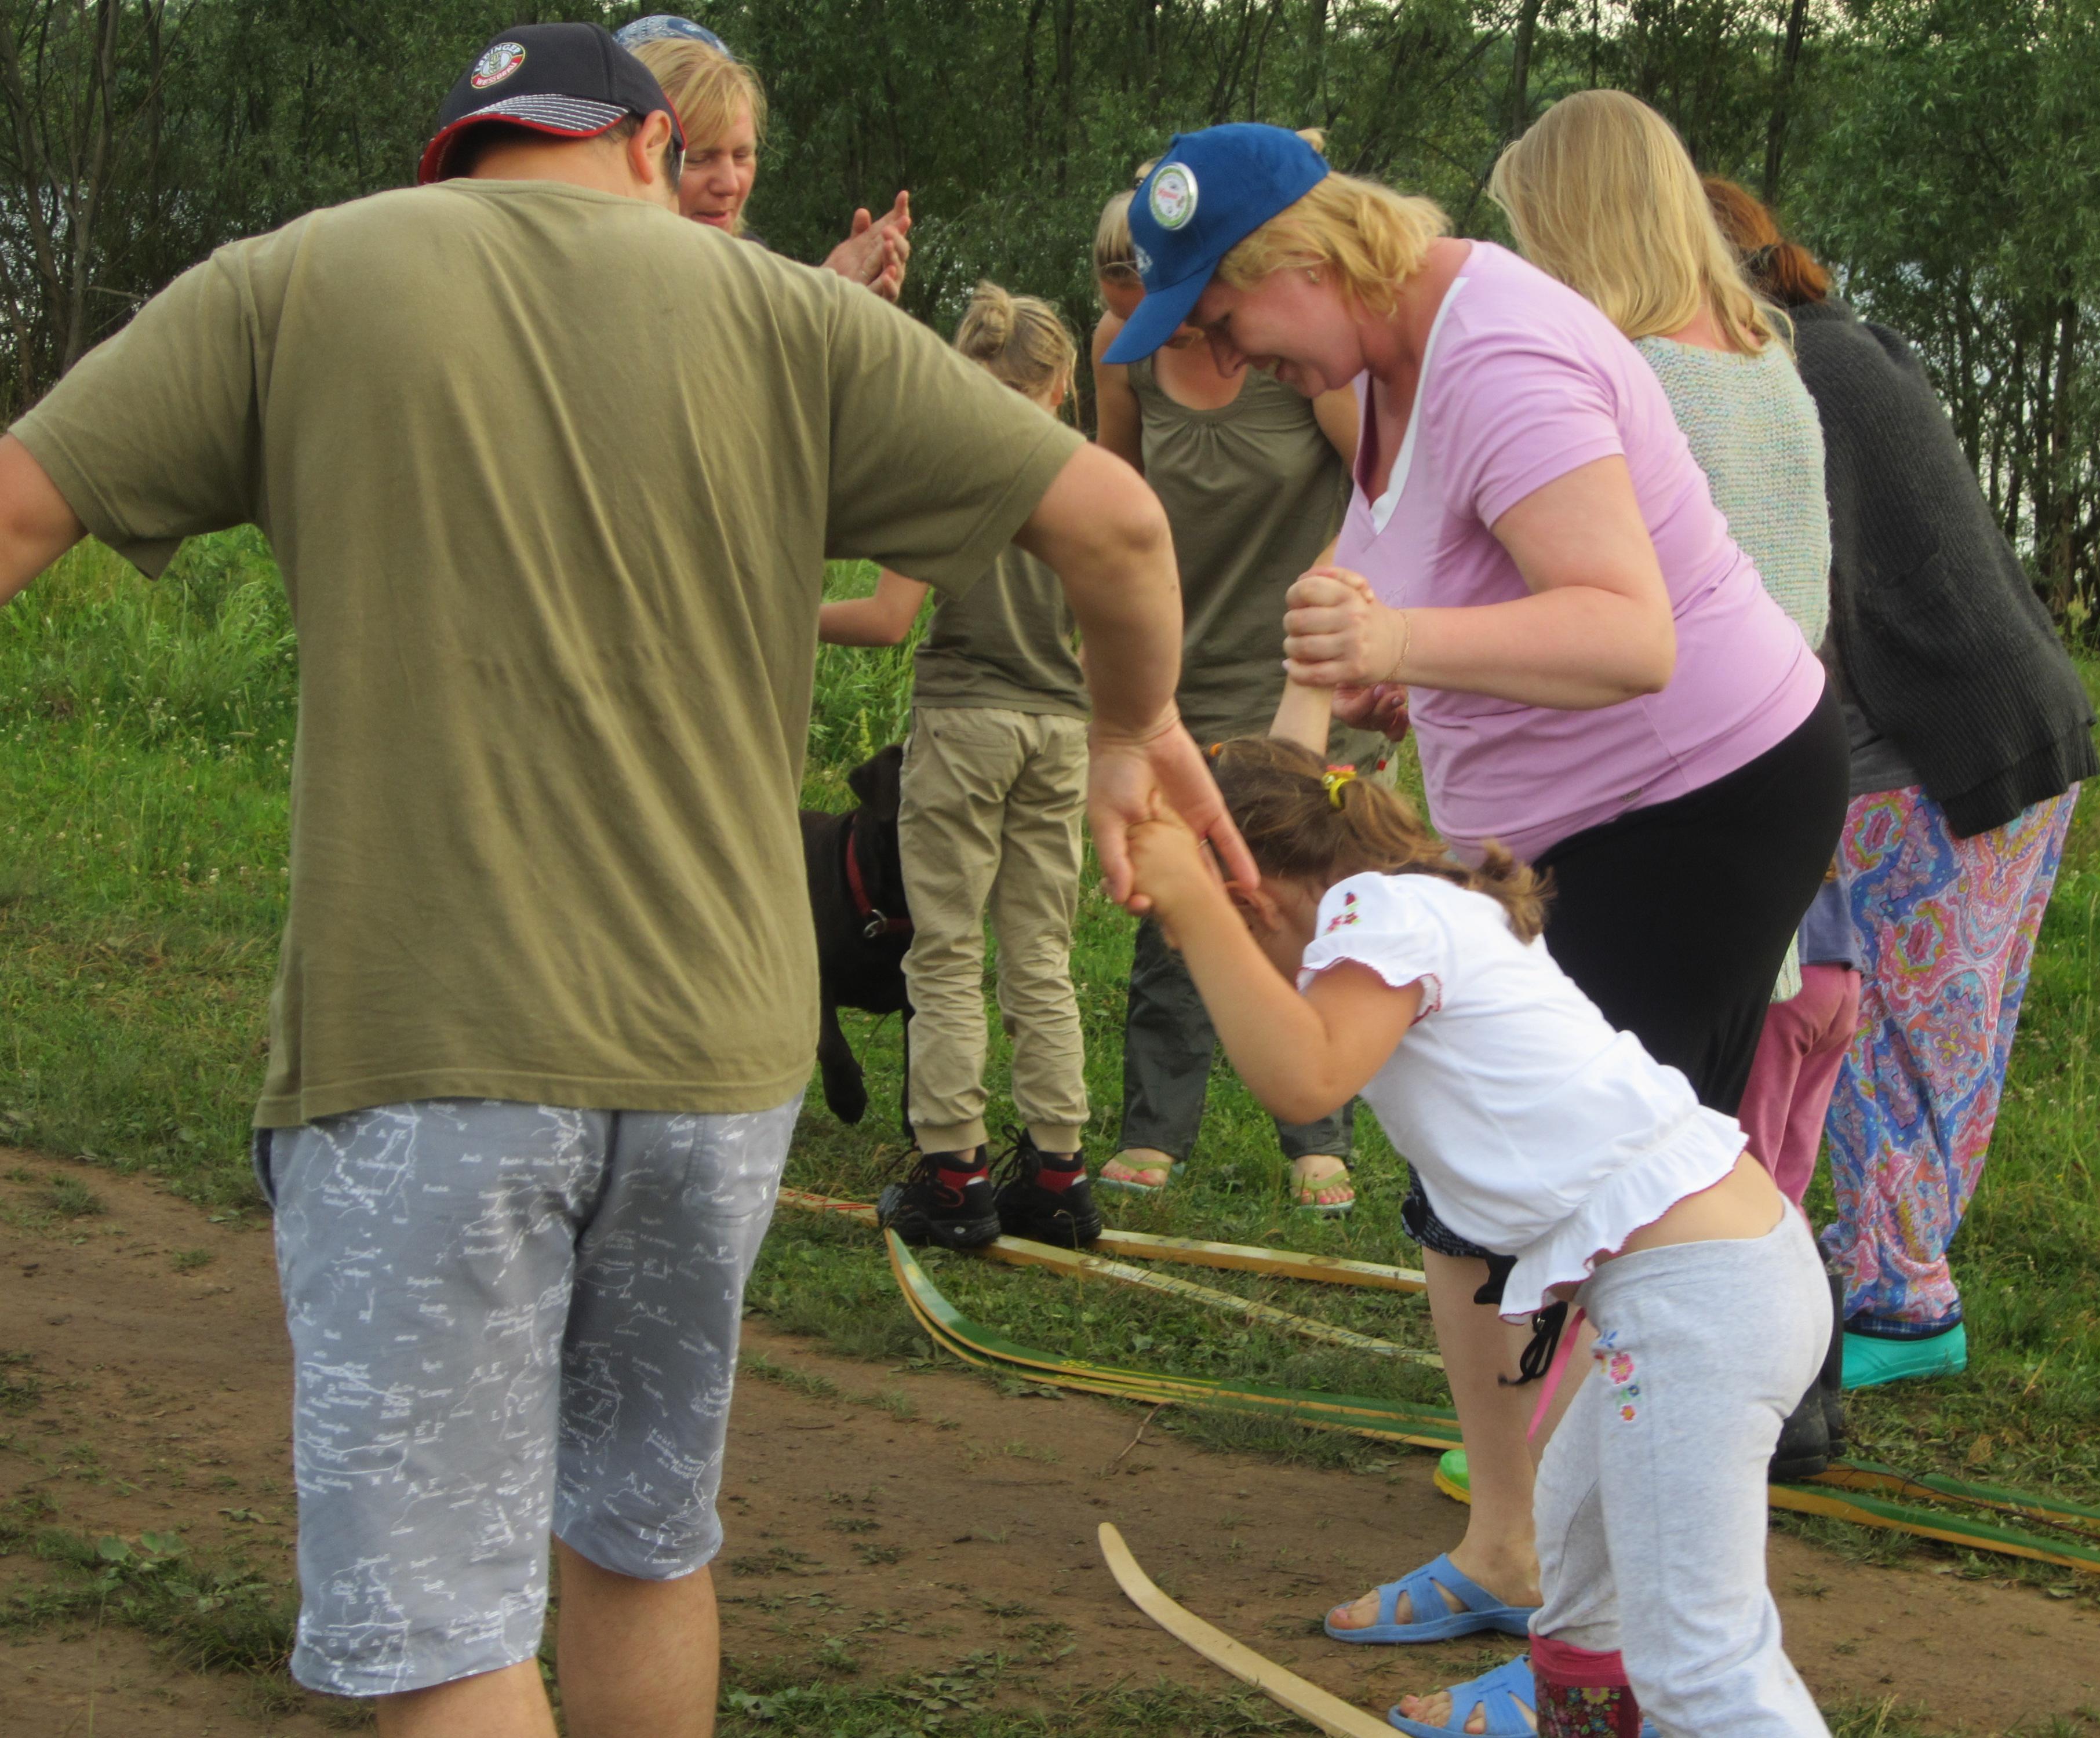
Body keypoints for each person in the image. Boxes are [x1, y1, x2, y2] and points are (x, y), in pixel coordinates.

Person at [0, 24, 1244, 1735]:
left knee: (447, 1634)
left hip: (426, 1046)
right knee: (642, 1542)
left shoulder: (296, 279)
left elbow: (19, 508)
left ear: (461, 157)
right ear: (655, 147)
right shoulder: (798, 321)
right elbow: (1116, 524)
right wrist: (1129, 729)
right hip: (716, 1067)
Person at [1102, 125, 1847, 1737]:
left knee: (1590, 1206)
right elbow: (1473, 603)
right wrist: (1391, 677)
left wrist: (1401, 643)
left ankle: (1621, 1632)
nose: (1227, 356)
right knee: (1529, 1191)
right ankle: (1559, 1614)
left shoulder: (1495, 352)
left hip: (1687, 802)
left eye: (1227, 317)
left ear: (1308, 260)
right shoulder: (1381, 360)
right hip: (1586, 813)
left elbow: (1628, 632)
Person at [1125, 728, 1833, 1738]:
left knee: (1697, 1662)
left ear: (1254, 899)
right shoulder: (1429, 899)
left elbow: (1304, 1076)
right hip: (1723, 1274)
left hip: (1696, 1304)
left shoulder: (1379, 914)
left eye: (1224, 938)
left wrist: (1189, 902)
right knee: (1580, 1580)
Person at [1706, 176, 2098, 1388]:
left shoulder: (1781, 375)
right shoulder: (1849, 344)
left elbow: (1776, 586)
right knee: (1937, 1038)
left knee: (1880, 1030)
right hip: (2004, 726)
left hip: (1927, 751)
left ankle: (1901, 1304)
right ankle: (1884, 1266)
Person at [1489, 91, 1856, 1213]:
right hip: (1770, 810)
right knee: (1693, 1146)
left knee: (1597, 1164)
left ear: (1573, 226)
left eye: (1528, 233)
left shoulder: (1625, 380)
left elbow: (1590, 614)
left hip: (1647, 815)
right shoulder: (1767, 366)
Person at [1089, 156, 1377, 1215]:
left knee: (1309, 903)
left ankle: (1319, 1133)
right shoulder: (1122, 359)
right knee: (1175, 904)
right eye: (1134, 319)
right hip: (1182, 677)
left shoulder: (1295, 361)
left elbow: (1384, 484)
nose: (1164, 334)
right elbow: (1109, 505)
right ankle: (1152, 1128)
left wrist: (1327, 592)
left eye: (1174, 312)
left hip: (1305, 675)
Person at [818, 282, 1102, 1251]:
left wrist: (782, 614)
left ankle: (953, 1175)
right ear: (1061, 384)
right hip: (1059, 729)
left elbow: (885, 618)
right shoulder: (1088, 474)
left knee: (943, 949)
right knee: (1039, 954)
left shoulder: (953, 471)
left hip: (964, 723)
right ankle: (1059, 1174)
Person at [620, 17, 912, 300]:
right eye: (698, 159)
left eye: (742, 156)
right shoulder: (607, 282)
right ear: (633, 156)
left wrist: (825, 305)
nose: (730, 185)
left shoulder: (757, 273)